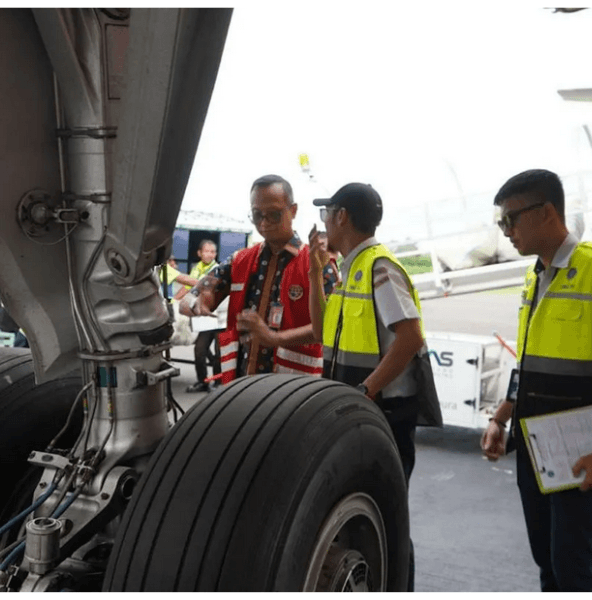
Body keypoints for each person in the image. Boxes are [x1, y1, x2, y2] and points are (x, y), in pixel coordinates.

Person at [480, 169, 592, 592]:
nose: (506, 231)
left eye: (510, 220)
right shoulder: (534, 276)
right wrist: (501, 417)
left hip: (583, 450)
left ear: (546, 212)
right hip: (537, 449)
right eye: (502, 223)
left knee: (576, 572)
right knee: (549, 566)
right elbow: (530, 361)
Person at [308, 182, 425, 592]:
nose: (323, 222)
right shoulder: (351, 267)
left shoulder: (379, 267)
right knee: (359, 509)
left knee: (389, 514)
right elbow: (322, 329)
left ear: (342, 216)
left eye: (327, 213)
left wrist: (366, 391)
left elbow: (410, 337)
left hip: (382, 416)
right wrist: (313, 270)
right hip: (359, 413)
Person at [179, 174, 335, 381]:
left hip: (295, 389)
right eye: (256, 215)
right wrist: (197, 304)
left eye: (273, 214)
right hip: (241, 385)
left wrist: (275, 338)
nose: (264, 223)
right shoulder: (239, 260)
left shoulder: (317, 262)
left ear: (293, 210)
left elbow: (332, 326)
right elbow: (190, 298)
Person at [185, 239, 221, 393]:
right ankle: (203, 381)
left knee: (220, 353)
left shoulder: (219, 269)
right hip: (204, 320)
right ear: (199, 253)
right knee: (200, 350)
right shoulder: (195, 269)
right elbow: (189, 288)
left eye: (213, 252)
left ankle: (219, 383)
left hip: (219, 318)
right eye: (207, 251)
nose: (210, 254)